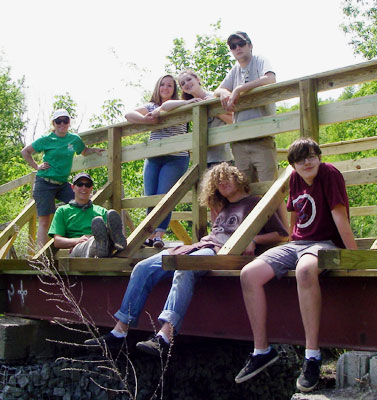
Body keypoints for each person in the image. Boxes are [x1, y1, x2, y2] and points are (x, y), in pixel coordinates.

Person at [84, 163, 288, 354]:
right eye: (217, 182)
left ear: (238, 179)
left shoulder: (255, 203)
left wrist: (253, 239)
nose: (222, 183)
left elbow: (282, 234)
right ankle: (119, 332)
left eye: (226, 178)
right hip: (200, 246)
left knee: (185, 268)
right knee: (142, 268)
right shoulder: (222, 206)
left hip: (221, 252)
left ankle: (165, 336)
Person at [235, 138, 357, 392]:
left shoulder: (329, 174)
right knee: (249, 274)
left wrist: (354, 255)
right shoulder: (294, 178)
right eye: (301, 158)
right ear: (293, 164)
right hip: (298, 244)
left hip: (325, 243)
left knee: (304, 270)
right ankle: (262, 350)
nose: (308, 161)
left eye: (312, 155)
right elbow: (294, 215)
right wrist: (290, 244)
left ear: (319, 157)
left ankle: (312, 355)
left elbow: (339, 214)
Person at [125, 75, 201, 249]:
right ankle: (149, 235)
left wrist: (183, 104)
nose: (166, 88)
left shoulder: (182, 103)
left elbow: (169, 106)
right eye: (162, 85)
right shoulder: (151, 106)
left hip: (176, 156)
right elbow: (128, 114)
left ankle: (159, 234)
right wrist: (145, 120)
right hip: (153, 157)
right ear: (157, 88)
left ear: (175, 89)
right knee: (150, 197)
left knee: (164, 196)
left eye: (170, 85)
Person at [21, 109, 104, 248]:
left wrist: (94, 150)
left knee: (84, 203)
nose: (62, 124)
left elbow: (83, 151)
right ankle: (42, 256)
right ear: (54, 123)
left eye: (65, 120)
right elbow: (25, 151)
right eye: (58, 121)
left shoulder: (74, 139)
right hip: (45, 183)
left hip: (63, 184)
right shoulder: (46, 139)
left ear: (69, 122)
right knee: (44, 220)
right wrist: (36, 166)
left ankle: (84, 241)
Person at [214, 31, 277, 183]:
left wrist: (239, 89)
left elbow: (270, 79)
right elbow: (217, 90)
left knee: (268, 188)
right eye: (233, 46)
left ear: (250, 45)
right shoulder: (235, 69)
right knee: (245, 191)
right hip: (239, 141)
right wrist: (223, 93)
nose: (237, 48)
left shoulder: (260, 60)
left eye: (241, 44)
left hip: (262, 137)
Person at [48, 172, 127, 258]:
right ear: (73, 187)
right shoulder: (63, 211)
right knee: (92, 243)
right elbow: (57, 241)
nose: (84, 188)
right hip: (79, 247)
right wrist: (77, 240)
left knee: (105, 232)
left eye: (87, 185)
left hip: (105, 244)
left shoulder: (101, 211)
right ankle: (100, 245)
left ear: (91, 188)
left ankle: (112, 242)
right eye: (80, 184)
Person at [178, 69, 234, 168]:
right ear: (182, 89)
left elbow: (233, 119)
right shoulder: (189, 104)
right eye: (183, 83)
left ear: (197, 79)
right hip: (202, 158)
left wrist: (214, 111)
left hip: (221, 157)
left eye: (189, 79)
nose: (187, 84)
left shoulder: (214, 96)